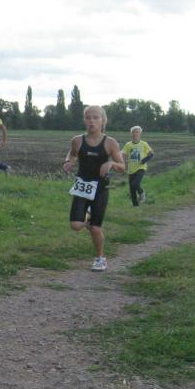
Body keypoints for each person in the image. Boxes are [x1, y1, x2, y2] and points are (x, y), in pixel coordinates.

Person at [63, 105, 125, 272]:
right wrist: (69, 162)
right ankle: (88, 218)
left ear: (103, 121)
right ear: (84, 120)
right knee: (76, 225)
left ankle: (100, 258)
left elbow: (122, 166)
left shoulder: (110, 143)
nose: (91, 121)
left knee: (95, 228)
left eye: (95, 117)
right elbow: (72, 154)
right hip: (82, 187)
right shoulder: (77, 140)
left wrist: (111, 164)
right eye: (88, 117)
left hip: (100, 189)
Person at [121, 126, 154, 207]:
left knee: (135, 184)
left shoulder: (144, 144)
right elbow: (123, 155)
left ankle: (142, 193)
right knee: (132, 189)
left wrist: (144, 160)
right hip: (131, 169)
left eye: (137, 132)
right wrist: (123, 164)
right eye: (134, 132)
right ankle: (135, 206)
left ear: (140, 133)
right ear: (131, 134)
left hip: (141, 168)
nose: (135, 134)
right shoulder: (128, 145)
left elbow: (151, 154)